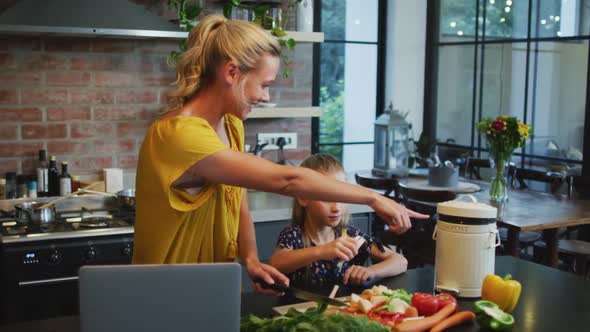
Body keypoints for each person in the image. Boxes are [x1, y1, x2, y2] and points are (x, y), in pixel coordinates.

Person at [132, 14, 428, 295]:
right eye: (264, 84)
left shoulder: (231, 126)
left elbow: (238, 200)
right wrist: (373, 198)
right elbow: (288, 180)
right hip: (167, 290)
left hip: (214, 285)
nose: (265, 97)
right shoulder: (178, 134)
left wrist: (250, 258)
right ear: (232, 72)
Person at [269, 154, 408, 288]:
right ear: (303, 198)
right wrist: (321, 251)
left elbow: (400, 261)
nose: (336, 207)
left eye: (341, 197)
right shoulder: (293, 235)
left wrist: (371, 271)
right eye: (327, 198)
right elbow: (275, 263)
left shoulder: (351, 236)